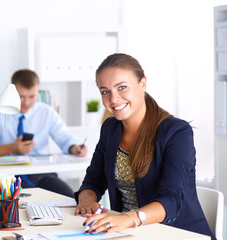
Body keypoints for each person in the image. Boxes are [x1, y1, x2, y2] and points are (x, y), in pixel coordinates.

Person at [74, 53, 215, 239]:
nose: (114, 99)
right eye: (105, 91)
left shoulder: (177, 132)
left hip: (176, 233)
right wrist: (86, 200)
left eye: (122, 87)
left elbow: (171, 201)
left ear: (143, 84)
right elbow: (93, 181)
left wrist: (127, 219)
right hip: (128, 233)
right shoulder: (110, 128)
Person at [0, 69, 87, 198]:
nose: (26, 102)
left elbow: (64, 136)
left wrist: (74, 147)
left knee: (70, 198)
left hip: (42, 174)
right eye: (21, 96)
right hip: (7, 177)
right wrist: (12, 148)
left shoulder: (46, 112)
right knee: (27, 202)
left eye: (32, 96)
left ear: (38, 92)